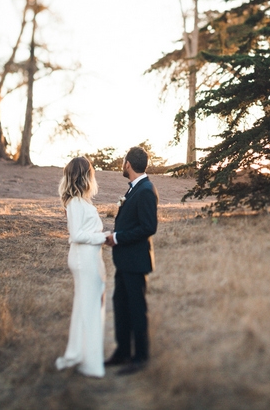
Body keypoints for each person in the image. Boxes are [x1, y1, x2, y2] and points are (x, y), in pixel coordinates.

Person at [104, 146, 158, 375]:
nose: (122, 165)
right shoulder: (134, 188)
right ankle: (123, 351)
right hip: (125, 260)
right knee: (121, 305)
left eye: (123, 162)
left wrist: (117, 237)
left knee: (136, 309)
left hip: (135, 261)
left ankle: (141, 357)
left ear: (128, 164)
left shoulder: (145, 189)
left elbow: (148, 227)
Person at [56, 157, 108, 378]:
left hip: (91, 257)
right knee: (89, 307)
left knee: (88, 305)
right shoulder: (75, 203)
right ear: (84, 175)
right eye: (91, 171)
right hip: (83, 258)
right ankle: (90, 363)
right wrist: (102, 237)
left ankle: (79, 352)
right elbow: (76, 235)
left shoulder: (83, 201)